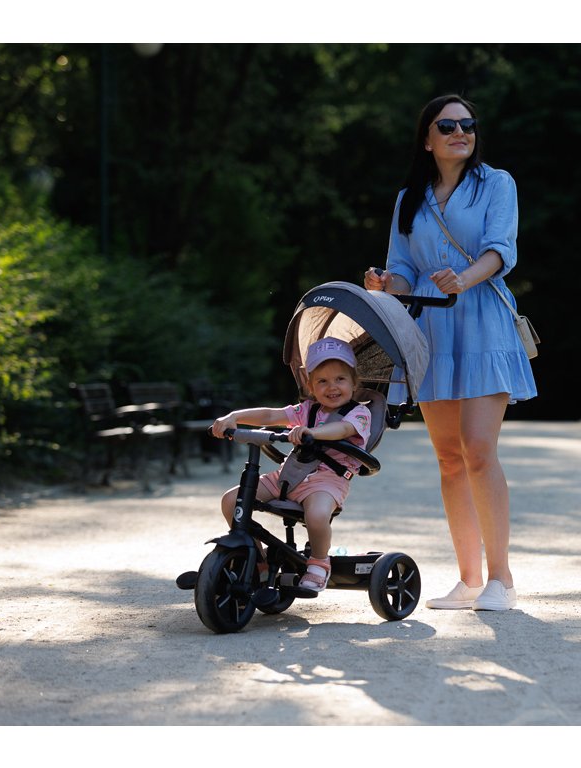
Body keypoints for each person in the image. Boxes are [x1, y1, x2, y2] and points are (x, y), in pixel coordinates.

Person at [364, 94, 537, 611]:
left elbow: (500, 251)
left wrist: (462, 279)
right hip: (431, 330)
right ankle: (468, 580)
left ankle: (501, 580)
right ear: (427, 139)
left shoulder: (497, 184)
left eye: (468, 124)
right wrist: (383, 283)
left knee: (479, 450)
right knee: (448, 459)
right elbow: (403, 269)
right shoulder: (409, 198)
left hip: (482, 322)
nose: (461, 132)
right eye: (447, 126)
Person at [209, 337, 372, 592]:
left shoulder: (359, 413)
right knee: (232, 501)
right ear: (311, 386)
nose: (332, 387)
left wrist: (312, 433)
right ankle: (257, 560)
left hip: (327, 481)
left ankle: (319, 563)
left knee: (317, 516)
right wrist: (234, 417)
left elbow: (343, 429)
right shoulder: (306, 410)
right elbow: (270, 415)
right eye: (322, 381)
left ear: (354, 382)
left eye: (340, 379)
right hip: (289, 475)